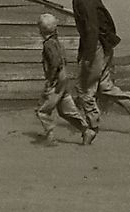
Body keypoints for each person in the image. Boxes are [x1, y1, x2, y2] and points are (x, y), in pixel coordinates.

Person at [50, 0, 130, 143]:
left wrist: (87, 58)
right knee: (105, 87)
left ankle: (92, 127)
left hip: (97, 47)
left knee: (85, 89)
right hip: (101, 46)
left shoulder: (83, 2)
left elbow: (92, 30)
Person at [34, 13, 95, 145]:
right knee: (66, 110)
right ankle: (86, 130)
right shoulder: (57, 42)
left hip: (56, 80)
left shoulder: (48, 44)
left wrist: (50, 79)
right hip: (64, 79)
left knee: (42, 110)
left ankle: (50, 136)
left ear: (41, 30)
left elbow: (55, 62)